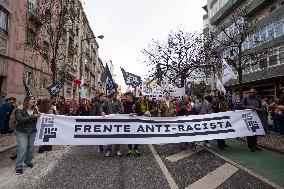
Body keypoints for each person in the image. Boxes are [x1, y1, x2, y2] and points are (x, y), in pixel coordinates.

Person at [14, 96, 42, 174]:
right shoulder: (20, 109)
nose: (34, 100)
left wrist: (41, 115)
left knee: (30, 148)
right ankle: (18, 166)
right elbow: (19, 120)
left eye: (34, 99)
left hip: (32, 131)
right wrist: (33, 116)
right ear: (27, 101)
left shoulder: (35, 109)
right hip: (22, 132)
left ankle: (28, 161)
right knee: (23, 148)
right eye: (32, 99)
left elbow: (38, 119)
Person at [104, 92, 124, 157]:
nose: (116, 96)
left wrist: (121, 110)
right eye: (115, 95)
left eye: (116, 95)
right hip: (109, 121)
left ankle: (117, 150)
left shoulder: (118, 101)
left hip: (117, 121)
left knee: (118, 135)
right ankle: (108, 150)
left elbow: (122, 110)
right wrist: (102, 112)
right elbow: (102, 108)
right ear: (112, 95)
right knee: (109, 135)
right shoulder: (107, 101)